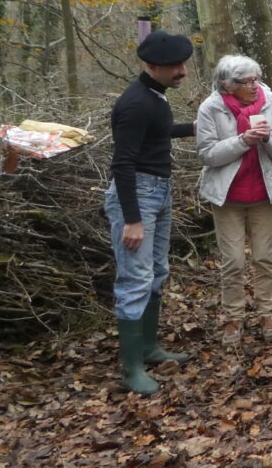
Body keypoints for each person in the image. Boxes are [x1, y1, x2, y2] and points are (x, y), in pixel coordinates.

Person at [104, 31, 195, 395]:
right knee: (135, 280)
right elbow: (122, 163)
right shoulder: (135, 104)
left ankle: (149, 348)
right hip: (137, 196)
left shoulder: (155, 97)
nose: (183, 72)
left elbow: (155, 134)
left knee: (157, 272)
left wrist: (192, 128)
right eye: (175, 67)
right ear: (152, 67)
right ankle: (132, 370)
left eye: (183, 64)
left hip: (159, 190)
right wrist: (133, 218)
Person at [196, 55, 272, 346]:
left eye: (257, 78)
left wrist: (266, 139)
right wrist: (242, 141)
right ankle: (234, 319)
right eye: (246, 81)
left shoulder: (271, 101)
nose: (254, 85)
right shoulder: (210, 107)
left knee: (264, 257)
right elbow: (207, 154)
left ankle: (267, 315)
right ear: (227, 84)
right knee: (233, 261)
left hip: (263, 193)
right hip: (228, 197)